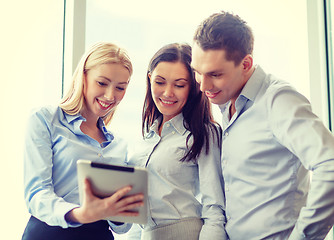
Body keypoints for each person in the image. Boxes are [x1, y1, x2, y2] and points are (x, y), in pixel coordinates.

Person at [191, 11, 334, 240]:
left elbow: (330, 163)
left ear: (246, 64)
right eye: (198, 72)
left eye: (215, 74)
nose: (203, 85)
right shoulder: (228, 103)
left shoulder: (278, 100)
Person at [22, 42, 144, 240]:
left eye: (120, 87)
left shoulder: (118, 146)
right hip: (49, 233)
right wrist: (81, 214)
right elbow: (36, 193)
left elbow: (122, 228)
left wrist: (120, 210)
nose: (110, 96)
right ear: (83, 77)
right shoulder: (45, 119)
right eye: (102, 83)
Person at [126, 43, 226, 239]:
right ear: (149, 79)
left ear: (194, 87)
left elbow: (214, 208)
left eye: (179, 85)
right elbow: (138, 213)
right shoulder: (147, 137)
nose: (168, 93)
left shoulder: (204, 133)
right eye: (160, 82)